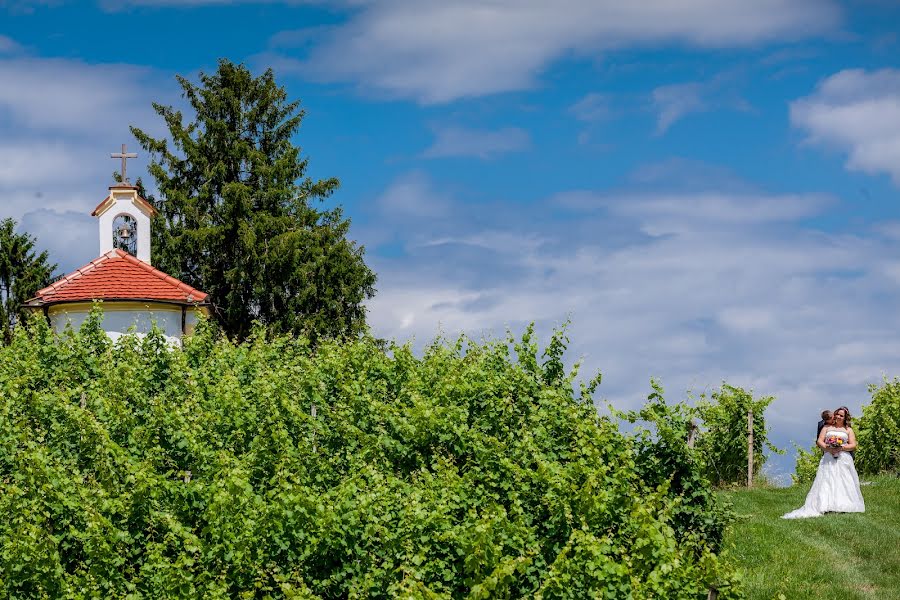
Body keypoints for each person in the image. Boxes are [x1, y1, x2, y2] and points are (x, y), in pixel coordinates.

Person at [783, 406, 865, 519]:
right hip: (829, 457)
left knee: (843, 480)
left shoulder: (848, 430)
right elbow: (819, 441)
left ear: (845, 418)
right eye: (837, 414)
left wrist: (841, 447)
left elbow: (853, 445)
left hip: (843, 458)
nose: (838, 417)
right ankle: (826, 504)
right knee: (827, 479)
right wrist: (829, 448)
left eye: (841, 415)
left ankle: (844, 505)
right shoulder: (827, 427)